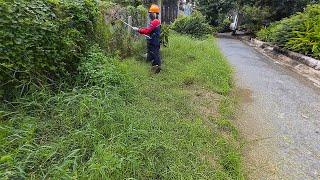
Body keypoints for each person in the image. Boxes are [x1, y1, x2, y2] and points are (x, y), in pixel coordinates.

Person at [133, 4, 162, 74]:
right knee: (152, 53)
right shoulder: (156, 21)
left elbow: (147, 31)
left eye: (151, 13)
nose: (150, 15)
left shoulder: (155, 21)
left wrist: (138, 30)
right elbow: (148, 29)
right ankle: (153, 67)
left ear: (155, 13)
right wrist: (140, 30)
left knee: (155, 54)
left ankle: (157, 68)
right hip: (153, 40)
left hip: (154, 41)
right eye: (150, 13)